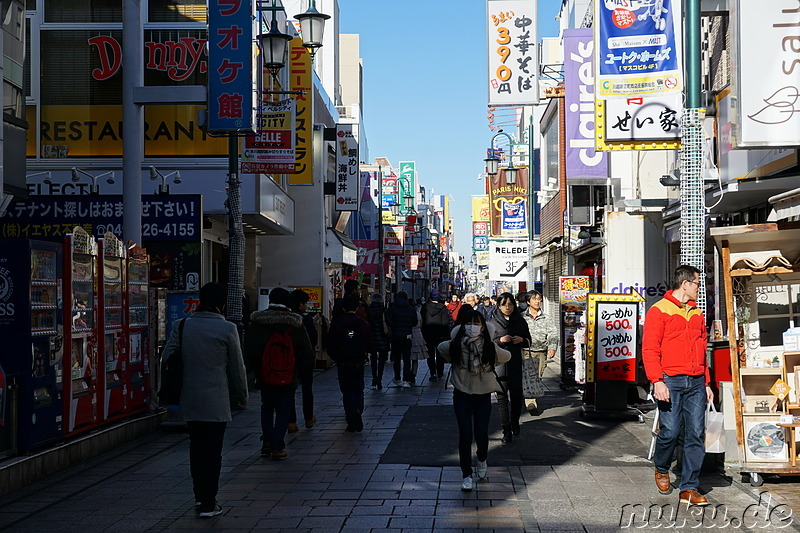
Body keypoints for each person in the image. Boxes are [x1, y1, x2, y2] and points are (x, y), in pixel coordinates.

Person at [160, 283, 248, 518]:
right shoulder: (228, 329)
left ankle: (199, 497)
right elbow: (237, 368)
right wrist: (241, 396)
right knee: (213, 451)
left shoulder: (183, 325)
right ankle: (210, 502)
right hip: (217, 399)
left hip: (190, 397)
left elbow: (167, 357)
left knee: (196, 449)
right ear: (222, 303)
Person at [643, 265, 712, 507]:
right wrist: (657, 381)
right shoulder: (659, 310)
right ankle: (661, 467)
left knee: (695, 433)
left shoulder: (697, 312)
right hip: (670, 380)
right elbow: (650, 349)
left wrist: (707, 382)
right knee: (670, 431)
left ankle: (689, 487)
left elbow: (702, 348)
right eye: (696, 283)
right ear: (685, 284)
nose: (698, 288)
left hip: (695, 381)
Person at [437, 309, 511, 492]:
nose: (473, 327)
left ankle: (482, 459)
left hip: (483, 394)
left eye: (477, 324)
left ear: (484, 328)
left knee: (481, 433)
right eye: (470, 324)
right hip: (461, 393)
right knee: (465, 434)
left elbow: (506, 356)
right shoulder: (455, 344)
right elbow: (441, 349)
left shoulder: (489, 347)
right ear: (462, 326)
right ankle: (466, 474)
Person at [244, 287, 314, 461]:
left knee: (266, 406)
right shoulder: (296, 323)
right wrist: (304, 373)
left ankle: (267, 441)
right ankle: (278, 445)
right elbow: (305, 353)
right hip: (288, 375)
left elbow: (250, 350)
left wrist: (255, 371)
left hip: (265, 375)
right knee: (284, 408)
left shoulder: (257, 323)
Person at [488, 292, 531, 443]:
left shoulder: (520, 321)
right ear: (498, 306)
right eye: (504, 304)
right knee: (501, 398)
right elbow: (488, 343)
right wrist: (500, 340)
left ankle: (515, 421)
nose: (508, 307)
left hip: (515, 363)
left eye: (510, 304)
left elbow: (528, 340)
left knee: (517, 396)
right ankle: (506, 429)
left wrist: (522, 340)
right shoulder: (492, 323)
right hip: (499, 365)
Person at [327, 295, 372, 432]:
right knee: (358, 388)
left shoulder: (337, 324)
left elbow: (330, 345)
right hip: (358, 361)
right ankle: (358, 409)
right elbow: (369, 344)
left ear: (343, 307)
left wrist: (337, 358)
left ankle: (351, 417)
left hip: (343, 362)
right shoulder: (363, 324)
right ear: (357, 307)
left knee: (346, 390)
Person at [521, 290, 558, 415]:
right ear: (528, 302)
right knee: (529, 375)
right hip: (526, 351)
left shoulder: (546, 317)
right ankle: (530, 402)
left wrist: (552, 347)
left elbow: (552, 333)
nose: (537, 301)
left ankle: (530, 396)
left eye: (539, 299)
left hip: (541, 351)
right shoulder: (522, 317)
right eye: (534, 299)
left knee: (538, 375)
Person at [287, 289, 317, 432]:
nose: (306, 306)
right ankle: (308, 418)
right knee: (307, 389)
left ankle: (291, 421)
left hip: (288, 358)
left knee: (290, 390)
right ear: (300, 304)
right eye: (305, 303)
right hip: (305, 358)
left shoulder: (285, 319)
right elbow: (314, 339)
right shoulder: (305, 319)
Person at [387, 290, 418, 387]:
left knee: (396, 358)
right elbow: (415, 322)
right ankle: (406, 380)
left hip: (395, 335)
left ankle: (397, 378)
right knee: (406, 358)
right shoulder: (411, 308)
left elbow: (390, 321)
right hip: (407, 335)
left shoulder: (392, 307)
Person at [420, 290, 452, 382]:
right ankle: (440, 371)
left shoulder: (425, 307)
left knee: (430, 354)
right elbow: (446, 323)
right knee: (440, 353)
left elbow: (422, 321)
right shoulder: (443, 308)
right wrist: (446, 335)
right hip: (440, 335)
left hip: (428, 334)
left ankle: (432, 372)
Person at [366, 293, 391, 389]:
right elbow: (389, 323)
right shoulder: (384, 310)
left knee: (373, 358)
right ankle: (379, 380)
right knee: (381, 359)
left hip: (372, 336)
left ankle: (374, 378)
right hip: (382, 336)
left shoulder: (369, 310)